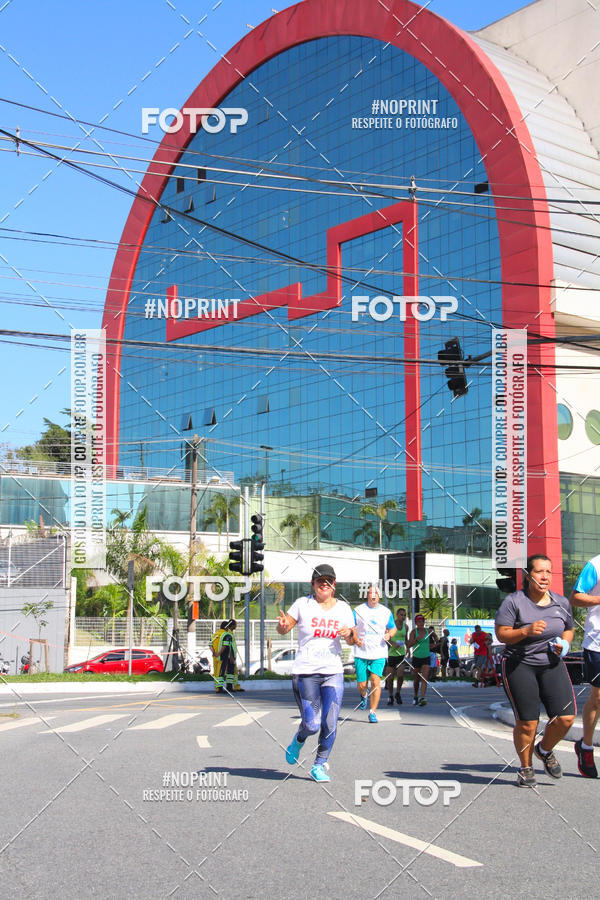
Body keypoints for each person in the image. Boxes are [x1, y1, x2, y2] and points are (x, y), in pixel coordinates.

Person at [495, 554, 576, 788]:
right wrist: (526, 631)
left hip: (551, 663)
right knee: (528, 722)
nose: (545, 576)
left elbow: (569, 629)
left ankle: (544, 749)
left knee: (566, 718)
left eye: (549, 572)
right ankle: (525, 767)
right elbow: (502, 634)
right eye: (540, 571)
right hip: (520, 665)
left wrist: (566, 644)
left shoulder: (561, 603)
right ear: (529, 575)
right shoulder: (514, 602)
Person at [276, 563, 356, 783]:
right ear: (313, 584)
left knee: (330, 722)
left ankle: (319, 764)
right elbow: (285, 626)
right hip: (306, 672)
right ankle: (299, 739)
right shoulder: (302, 604)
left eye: (328, 581)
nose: (324, 584)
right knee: (311, 724)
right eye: (320, 580)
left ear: (334, 585)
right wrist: (282, 626)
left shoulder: (343, 609)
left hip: (332, 672)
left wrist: (349, 633)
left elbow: (353, 638)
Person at [570, 555, 600, 777]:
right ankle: (586, 746)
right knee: (598, 698)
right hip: (598, 643)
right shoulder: (596, 565)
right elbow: (576, 597)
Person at [353, 584, 396, 722]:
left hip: (379, 652)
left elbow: (393, 628)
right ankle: (363, 695)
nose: (373, 596)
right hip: (361, 652)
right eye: (371, 593)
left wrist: (389, 635)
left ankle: (372, 712)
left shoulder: (385, 612)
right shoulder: (358, 610)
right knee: (362, 685)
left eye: (376, 594)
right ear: (367, 595)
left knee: (375, 680)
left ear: (379, 596)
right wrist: (355, 638)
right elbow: (351, 627)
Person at [384, 607, 408, 705]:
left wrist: (408, 649)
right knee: (390, 677)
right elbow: (386, 638)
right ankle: (390, 695)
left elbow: (405, 639)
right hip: (391, 654)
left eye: (404, 615)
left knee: (400, 675)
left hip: (401, 654)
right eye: (401, 615)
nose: (403, 617)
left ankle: (398, 693)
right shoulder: (391, 626)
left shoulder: (405, 627)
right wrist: (392, 643)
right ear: (397, 615)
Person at [406, 613, 431, 706]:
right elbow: (409, 644)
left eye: (422, 621)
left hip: (426, 657)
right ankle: (416, 695)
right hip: (417, 657)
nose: (421, 623)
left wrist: (436, 643)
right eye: (419, 622)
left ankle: (422, 697)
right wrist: (416, 640)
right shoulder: (414, 632)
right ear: (416, 623)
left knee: (424, 678)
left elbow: (436, 638)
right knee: (416, 679)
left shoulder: (428, 631)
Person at [211, 621, 227, 692]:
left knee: (215, 672)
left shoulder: (214, 634)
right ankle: (219, 688)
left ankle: (217, 687)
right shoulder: (225, 634)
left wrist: (214, 652)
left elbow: (210, 644)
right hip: (221, 656)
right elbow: (224, 645)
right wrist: (219, 653)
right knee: (220, 672)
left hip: (214, 656)